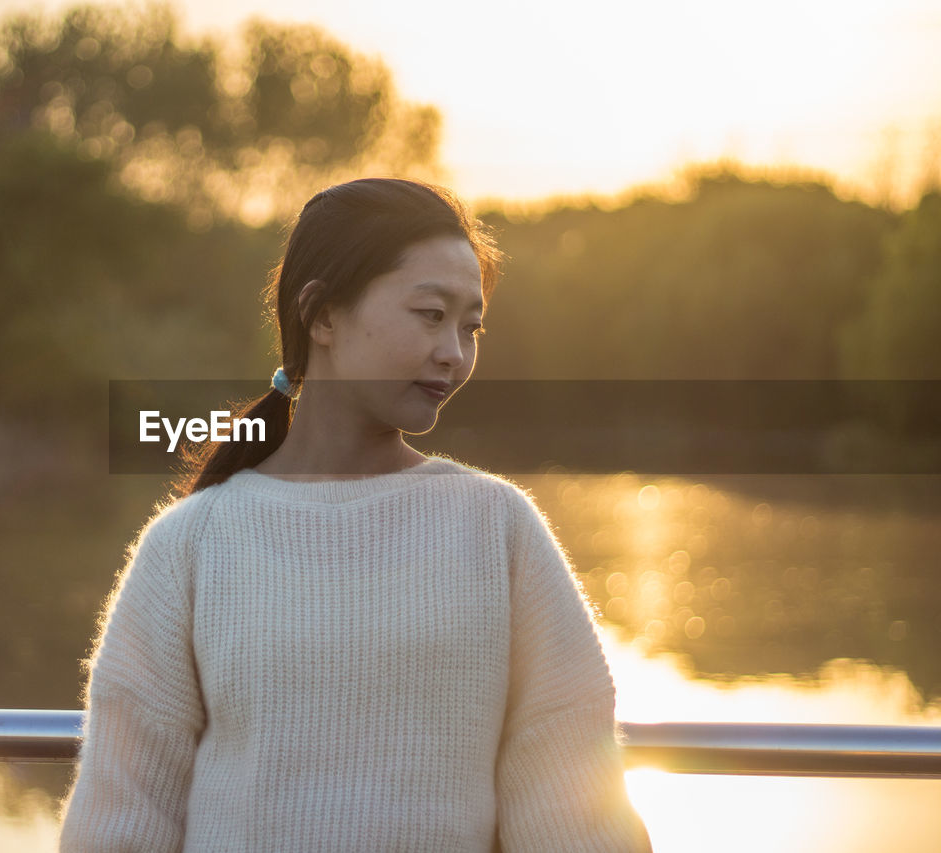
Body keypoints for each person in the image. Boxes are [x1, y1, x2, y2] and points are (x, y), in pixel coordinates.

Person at [58, 177, 654, 852]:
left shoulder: (498, 529)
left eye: (471, 326)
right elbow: (123, 818)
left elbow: (572, 794)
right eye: (431, 314)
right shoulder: (190, 544)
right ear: (322, 315)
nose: (454, 353)